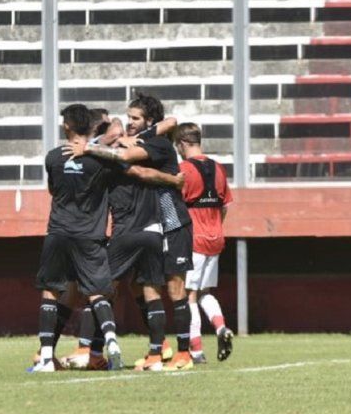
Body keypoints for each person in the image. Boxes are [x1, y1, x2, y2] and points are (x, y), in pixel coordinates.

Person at [69, 93, 195, 371]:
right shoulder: (146, 137)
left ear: (150, 120)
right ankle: (159, 349)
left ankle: (185, 352)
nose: (130, 124)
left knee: (174, 288)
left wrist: (90, 148)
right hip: (153, 225)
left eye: (135, 119)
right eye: (129, 118)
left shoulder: (159, 144)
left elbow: (134, 162)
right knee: (144, 285)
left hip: (172, 222)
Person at [30, 104, 124, 373]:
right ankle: (111, 342)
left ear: (67, 126)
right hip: (90, 235)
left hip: (59, 232)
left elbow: (53, 189)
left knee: (51, 290)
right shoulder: (99, 160)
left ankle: (46, 356)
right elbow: (121, 160)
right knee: (96, 291)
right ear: (92, 127)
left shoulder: (53, 157)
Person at [174, 122, 234, 364]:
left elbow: (176, 206)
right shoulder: (219, 169)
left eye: (177, 145)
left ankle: (196, 351)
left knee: (188, 295)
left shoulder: (184, 170)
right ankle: (220, 328)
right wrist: (215, 226)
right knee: (205, 293)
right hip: (216, 237)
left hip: (194, 239)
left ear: (183, 144)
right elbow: (226, 205)